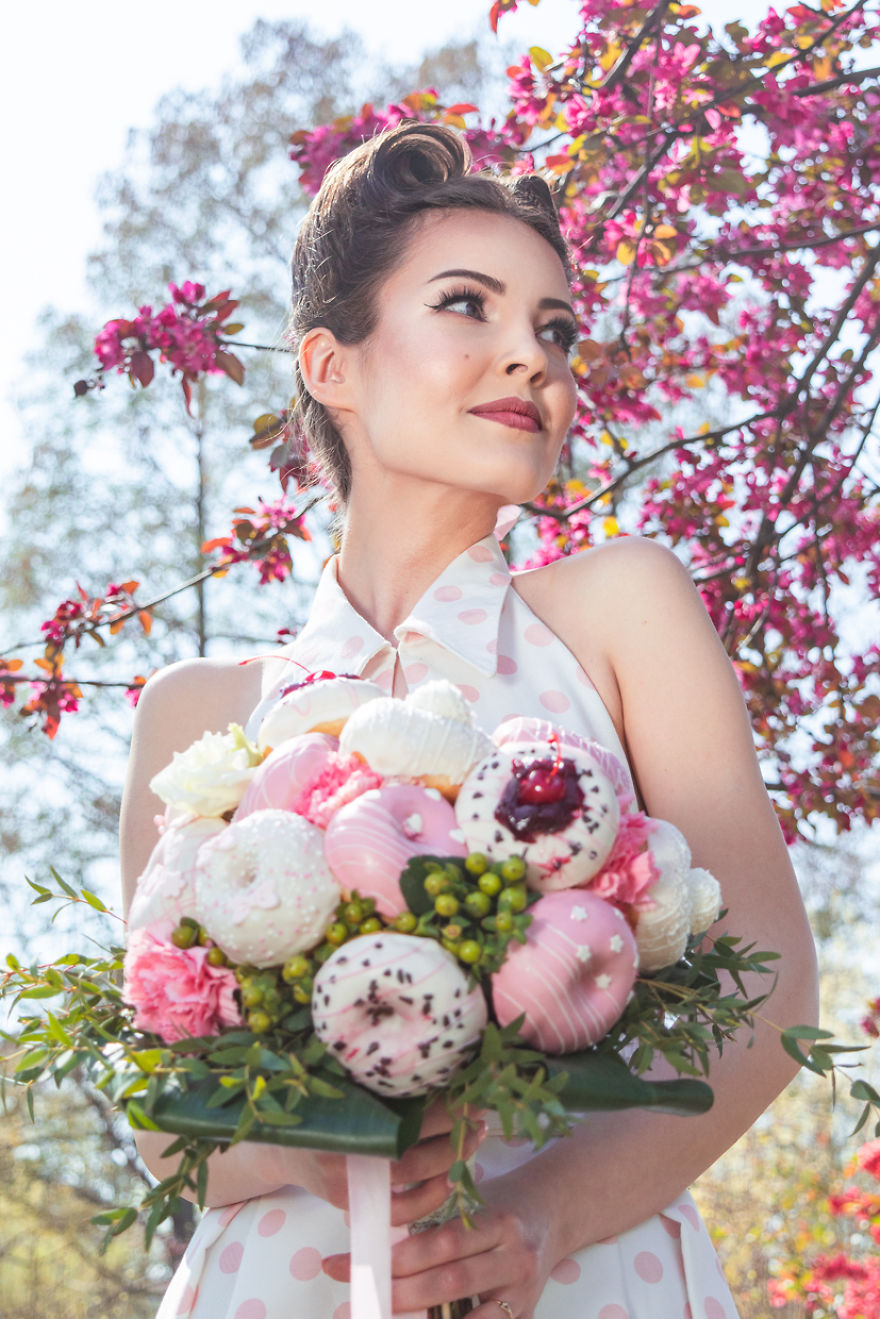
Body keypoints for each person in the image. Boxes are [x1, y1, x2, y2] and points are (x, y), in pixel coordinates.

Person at [121, 122, 819, 1319]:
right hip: (282, 1282)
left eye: (556, 329)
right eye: (466, 305)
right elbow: (158, 1112)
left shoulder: (620, 606)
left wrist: (543, 1215)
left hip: (586, 1275)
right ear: (331, 365)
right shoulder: (198, 709)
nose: (532, 357)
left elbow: (773, 991)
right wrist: (316, 1144)